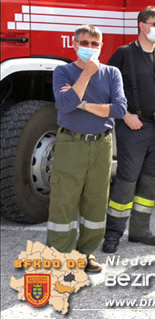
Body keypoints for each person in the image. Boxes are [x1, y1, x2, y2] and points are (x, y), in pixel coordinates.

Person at [47, 25, 127, 273]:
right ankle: (60, 257)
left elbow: (120, 109)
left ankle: (86, 254)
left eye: (95, 43)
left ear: (102, 46)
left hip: (102, 144)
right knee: (64, 200)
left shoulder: (112, 73)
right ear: (74, 45)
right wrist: (86, 76)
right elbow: (65, 104)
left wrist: (82, 105)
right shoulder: (63, 71)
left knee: (95, 200)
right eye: (84, 43)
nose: (90, 48)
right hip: (71, 143)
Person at [102, 6, 155, 253]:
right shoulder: (124, 54)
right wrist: (124, 115)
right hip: (132, 127)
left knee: (150, 181)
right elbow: (107, 89)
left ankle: (139, 231)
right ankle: (113, 234)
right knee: (126, 180)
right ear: (142, 25)